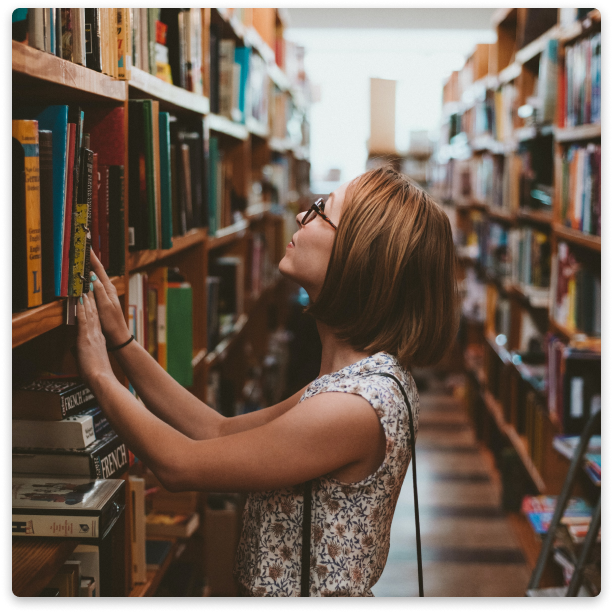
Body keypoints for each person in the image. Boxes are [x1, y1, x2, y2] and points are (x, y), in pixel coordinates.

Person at [76, 164, 458, 597]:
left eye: (321, 211)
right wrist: (123, 343)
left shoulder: (352, 406)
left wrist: (99, 376)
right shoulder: (356, 381)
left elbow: (178, 465)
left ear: (359, 256)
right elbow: (212, 430)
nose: (301, 217)